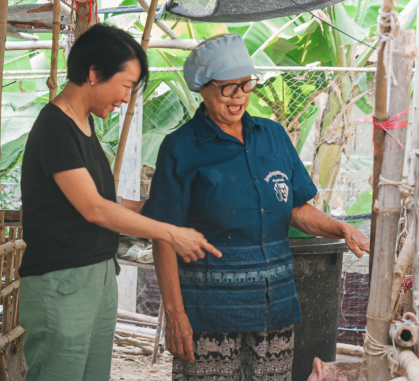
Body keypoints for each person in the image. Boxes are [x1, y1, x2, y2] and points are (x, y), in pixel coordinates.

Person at [141, 34, 370, 381]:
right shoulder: (181, 148)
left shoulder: (273, 136)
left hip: (273, 307)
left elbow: (295, 208)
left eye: (246, 85)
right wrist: (175, 315)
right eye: (227, 88)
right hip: (210, 313)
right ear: (202, 88)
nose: (239, 97)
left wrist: (342, 228)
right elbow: (162, 236)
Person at [18, 24, 222, 381]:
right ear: (94, 73)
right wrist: (169, 232)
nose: (126, 99)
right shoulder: (54, 126)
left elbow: (107, 201)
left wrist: (161, 207)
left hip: (96, 275)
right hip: (62, 281)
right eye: (126, 86)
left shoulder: (83, 124)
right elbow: (93, 209)